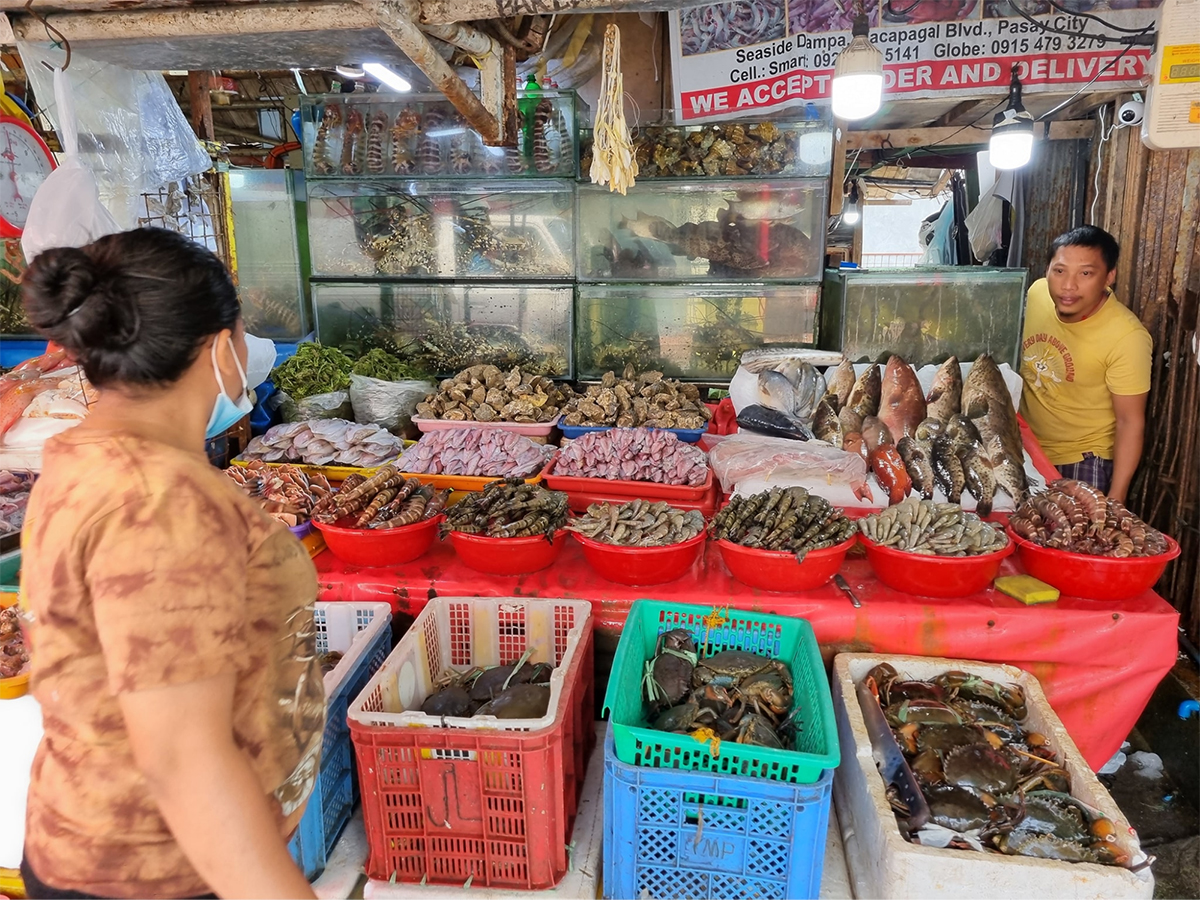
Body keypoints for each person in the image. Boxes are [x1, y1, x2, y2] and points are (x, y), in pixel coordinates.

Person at [18, 228, 323, 899]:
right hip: (161, 872)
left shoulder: (85, 455)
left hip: (103, 847)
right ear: (219, 346)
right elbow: (185, 760)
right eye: (244, 334)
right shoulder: (162, 502)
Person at [1019, 225, 1152, 501]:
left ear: (1109, 276)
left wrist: (1116, 498)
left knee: (1074, 541)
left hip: (1081, 459)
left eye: (1086, 273)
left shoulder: (1127, 337)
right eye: (1059, 271)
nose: (1068, 285)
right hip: (1024, 445)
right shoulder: (1037, 294)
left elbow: (1130, 422)